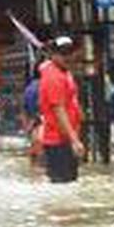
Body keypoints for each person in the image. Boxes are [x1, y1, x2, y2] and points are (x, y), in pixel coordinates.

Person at [39, 36, 85, 183]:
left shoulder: (63, 72)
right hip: (58, 140)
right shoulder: (54, 76)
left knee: (69, 184)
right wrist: (75, 140)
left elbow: (69, 101)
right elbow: (59, 111)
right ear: (54, 54)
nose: (68, 57)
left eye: (70, 53)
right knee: (62, 184)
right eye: (63, 54)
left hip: (64, 138)